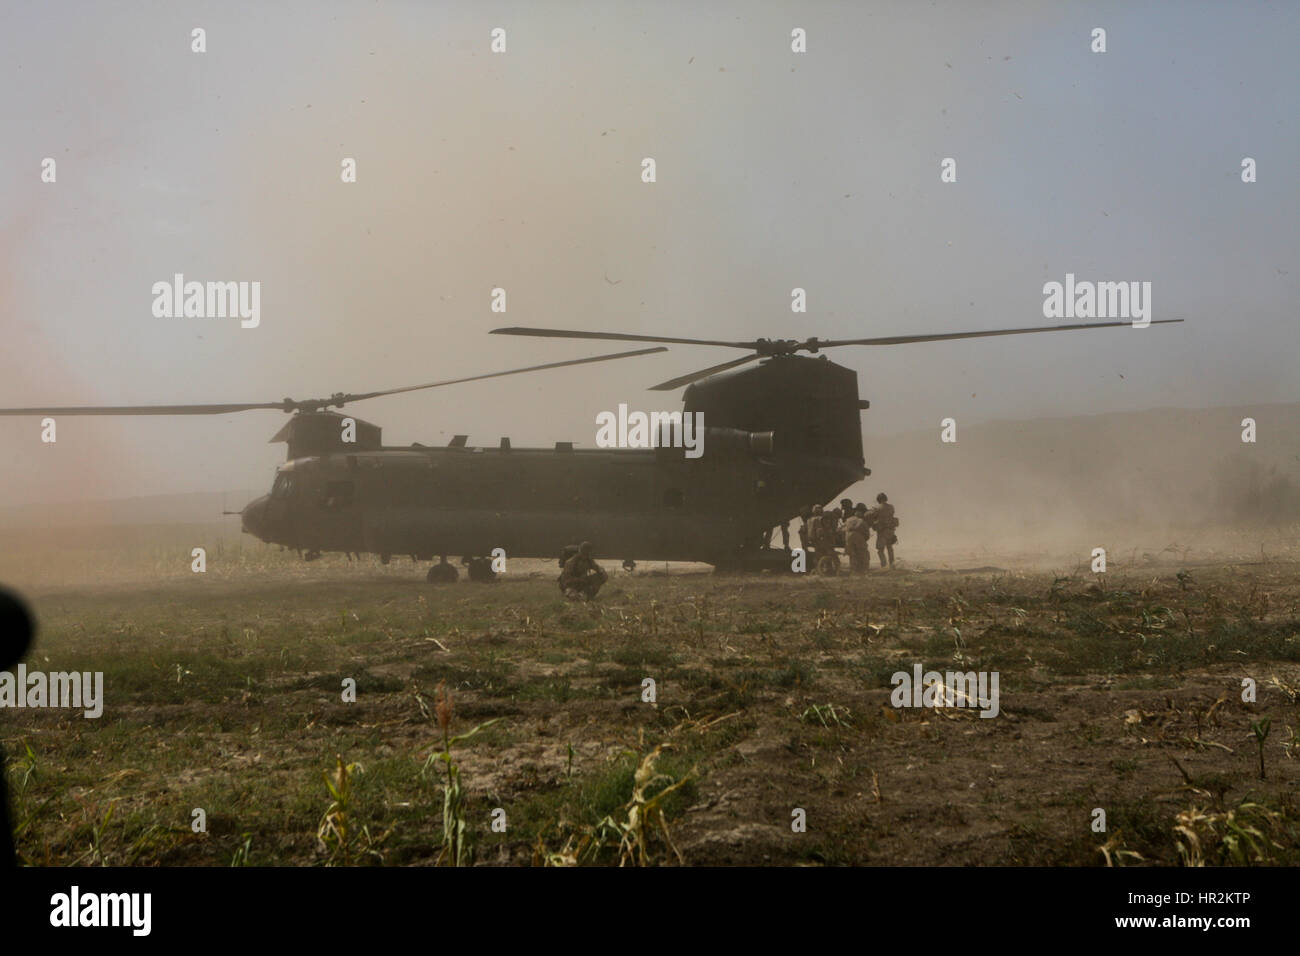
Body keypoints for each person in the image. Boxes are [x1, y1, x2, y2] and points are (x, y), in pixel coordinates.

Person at [870, 493, 899, 568]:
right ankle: (892, 565)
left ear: (878, 499)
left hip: (882, 531)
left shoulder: (876, 507)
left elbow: (872, 516)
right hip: (890, 530)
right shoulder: (891, 507)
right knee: (890, 548)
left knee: (880, 550)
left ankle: (884, 565)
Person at [844, 503, 871, 574]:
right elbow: (867, 534)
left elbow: (843, 529)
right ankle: (864, 570)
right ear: (862, 512)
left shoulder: (848, 520)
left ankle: (853, 571)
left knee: (852, 554)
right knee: (864, 554)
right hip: (858, 537)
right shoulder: (862, 521)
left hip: (848, 537)